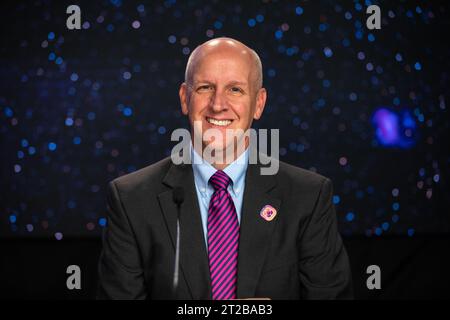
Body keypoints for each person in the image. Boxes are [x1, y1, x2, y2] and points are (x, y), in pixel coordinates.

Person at [97, 37, 353, 299]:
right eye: (205, 87)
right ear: (185, 98)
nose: (218, 105)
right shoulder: (131, 200)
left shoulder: (308, 197)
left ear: (259, 103)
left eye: (235, 90)